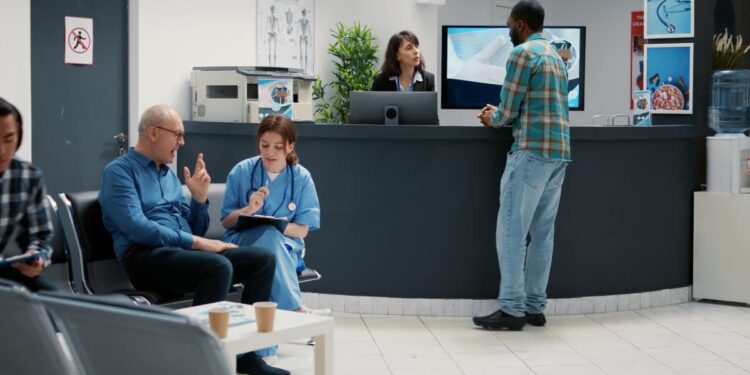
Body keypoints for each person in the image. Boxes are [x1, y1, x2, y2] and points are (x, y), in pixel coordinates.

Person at [99, 105, 289, 375]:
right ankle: (197, 362)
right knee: (217, 267)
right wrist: (200, 244)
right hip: (144, 257)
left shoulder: (169, 176)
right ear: (153, 132)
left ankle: (244, 356)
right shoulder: (118, 172)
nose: (182, 142)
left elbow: (193, 227)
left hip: (179, 254)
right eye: (177, 135)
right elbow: (138, 228)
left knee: (261, 260)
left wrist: (199, 200)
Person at [473, 0, 571, 331]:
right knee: (543, 234)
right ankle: (534, 306)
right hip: (558, 154)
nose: (508, 31)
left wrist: (491, 117)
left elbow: (507, 112)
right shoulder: (557, 57)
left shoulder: (522, 54)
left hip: (530, 152)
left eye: (509, 24)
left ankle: (512, 309)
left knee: (512, 232)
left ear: (520, 25)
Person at [221, 114, 322, 360]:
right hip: (241, 243)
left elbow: (302, 230)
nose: (270, 152)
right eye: (264, 145)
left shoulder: (301, 178)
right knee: (266, 239)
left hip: (287, 247)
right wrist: (248, 211)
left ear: (290, 146)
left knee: (269, 238)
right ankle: (295, 309)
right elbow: (226, 222)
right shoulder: (242, 171)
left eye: (278, 147)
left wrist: (276, 226)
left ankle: (263, 350)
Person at [0, 97, 55, 292]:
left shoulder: (27, 176)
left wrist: (35, 257)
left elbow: (40, 236)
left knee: (53, 301)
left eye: (9, 139)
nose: (2, 151)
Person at [371, 30, 435, 92]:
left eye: (416, 46)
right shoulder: (380, 81)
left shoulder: (429, 80)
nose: (416, 51)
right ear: (396, 55)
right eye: (409, 48)